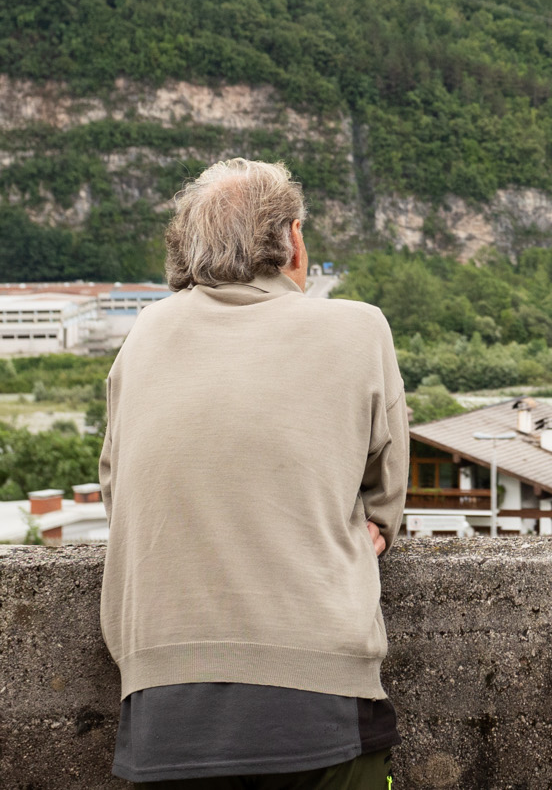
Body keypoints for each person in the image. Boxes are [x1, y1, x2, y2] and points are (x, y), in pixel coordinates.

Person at [99, 159, 408, 788]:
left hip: (163, 715)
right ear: (293, 240)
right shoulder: (357, 327)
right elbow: (385, 493)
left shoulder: (144, 336)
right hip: (320, 702)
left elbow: (116, 493)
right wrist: (368, 524)